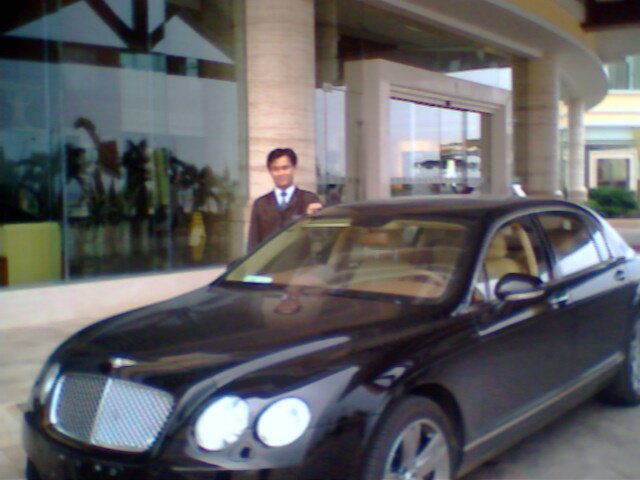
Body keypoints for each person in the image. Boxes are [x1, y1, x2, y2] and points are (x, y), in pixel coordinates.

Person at [248, 148, 322, 250]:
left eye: (285, 168)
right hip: (270, 259)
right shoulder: (261, 204)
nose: (281, 173)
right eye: (275, 169)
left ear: (294, 168)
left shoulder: (309, 200)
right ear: (270, 171)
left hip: (299, 258)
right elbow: (253, 243)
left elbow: (319, 238)